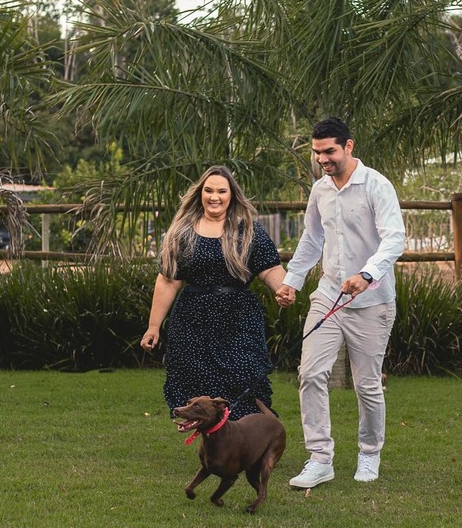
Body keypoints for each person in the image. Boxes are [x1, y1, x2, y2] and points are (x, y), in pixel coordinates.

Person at [275, 117, 405, 486]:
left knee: (367, 385)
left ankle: (368, 454)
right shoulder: (320, 190)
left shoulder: (377, 186)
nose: (323, 159)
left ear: (349, 146)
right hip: (328, 297)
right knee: (310, 374)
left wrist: (366, 274)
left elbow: (394, 239)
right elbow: (311, 240)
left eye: (329, 151)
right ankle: (320, 458)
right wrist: (292, 282)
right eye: (317, 153)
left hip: (373, 302)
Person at [141, 165, 287, 420]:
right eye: (208, 190)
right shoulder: (182, 232)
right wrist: (153, 326)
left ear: (232, 195)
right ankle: (216, 447)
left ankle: (247, 440)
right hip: (192, 319)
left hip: (238, 317)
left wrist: (284, 289)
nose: (214, 196)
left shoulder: (248, 230)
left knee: (243, 375)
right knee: (197, 382)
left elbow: (269, 268)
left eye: (221, 191)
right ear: (200, 193)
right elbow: (168, 281)